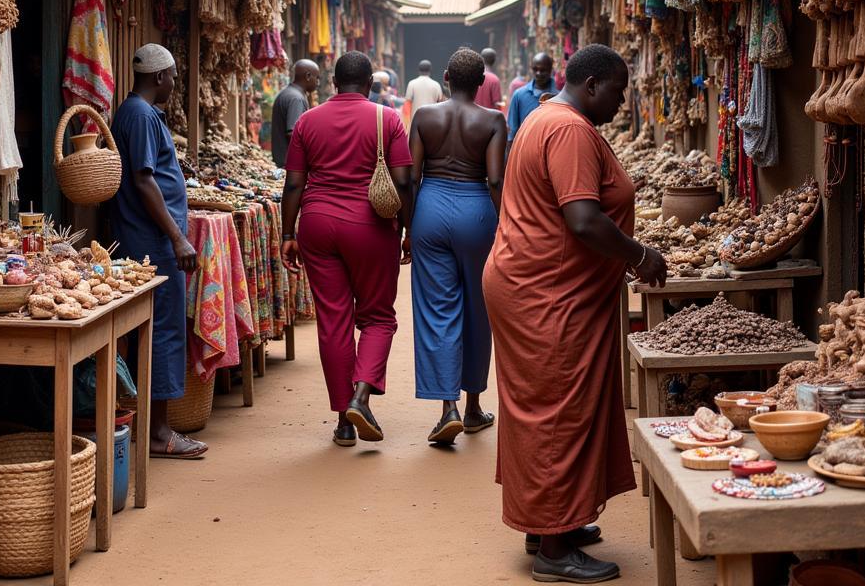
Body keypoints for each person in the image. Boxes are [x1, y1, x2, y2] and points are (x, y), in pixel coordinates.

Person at [483, 44, 666, 583]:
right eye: (618, 90)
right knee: (557, 408)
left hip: (535, 284)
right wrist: (639, 256)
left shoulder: (546, 117)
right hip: (546, 292)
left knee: (548, 403)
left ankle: (549, 523)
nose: (622, 100)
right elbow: (583, 219)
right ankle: (554, 551)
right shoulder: (568, 129)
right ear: (590, 85)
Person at [280, 51, 414, 447]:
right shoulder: (387, 119)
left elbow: (293, 184)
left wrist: (288, 233)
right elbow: (403, 182)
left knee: (333, 320)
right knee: (377, 317)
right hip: (370, 227)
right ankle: (361, 395)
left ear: (333, 83)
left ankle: (343, 420)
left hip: (317, 226)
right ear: (370, 82)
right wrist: (409, 229)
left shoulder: (308, 120)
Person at [110, 44, 206, 459]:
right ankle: (161, 432)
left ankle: (144, 425)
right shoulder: (142, 115)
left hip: (144, 238)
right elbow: (145, 181)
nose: (174, 83)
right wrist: (177, 237)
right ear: (159, 77)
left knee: (150, 332)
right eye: (172, 76)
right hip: (151, 241)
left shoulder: (135, 112)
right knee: (165, 331)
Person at [409, 48, 505, 445]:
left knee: (437, 310)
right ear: (482, 82)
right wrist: (507, 228)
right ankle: (472, 408)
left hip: (429, 209)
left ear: (446, 77)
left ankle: (446, 407)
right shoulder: (493, 120)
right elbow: (497, 180)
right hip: (476, 212)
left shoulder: (424, 117)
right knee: (478, 309)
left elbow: (410, 179)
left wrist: (407, 227)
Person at [270, 59, 319, 168]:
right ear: (308, 76)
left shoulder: (288, 93)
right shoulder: (296, 98)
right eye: (317, 78)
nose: (318, 83)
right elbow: (293, 133)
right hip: (290, 164)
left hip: (284, 161)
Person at [505, 52, 555, 155]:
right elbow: (512, 133)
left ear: (550, 70)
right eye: (535, 69)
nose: (538, 73)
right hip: (524, 155)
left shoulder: (558, 97)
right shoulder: (519, 95)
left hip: (550, 154)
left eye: (543, 70)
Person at [403, 59, 445, 124]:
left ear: (418, 70)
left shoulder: (412, 84)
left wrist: (407, 123)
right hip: (432, 121)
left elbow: (407, 104)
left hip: (416, 121)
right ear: (430, 70)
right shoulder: (436, 85)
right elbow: (441, 104)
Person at [474, 47, 504, 111]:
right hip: (489, 119)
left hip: (472, 118)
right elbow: (497, 105)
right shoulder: (494, 80)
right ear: (494, 61)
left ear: (481, 59)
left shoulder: (473, 76)